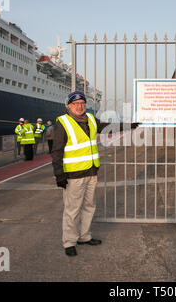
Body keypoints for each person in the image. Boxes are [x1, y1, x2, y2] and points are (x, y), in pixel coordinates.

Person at [52, 91, 138, 257]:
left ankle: (84, 236)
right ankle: (69, 241)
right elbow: (57, 151)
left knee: (89, 207)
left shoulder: (91, 119)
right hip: (73, 175)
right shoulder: (63, 123)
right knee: (72, 210)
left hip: (91, 172)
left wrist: (129, 125)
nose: (79, 106)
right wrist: (59, 175)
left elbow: (107, 127)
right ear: (69, 106)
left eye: (82, 103)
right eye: (75, 104)